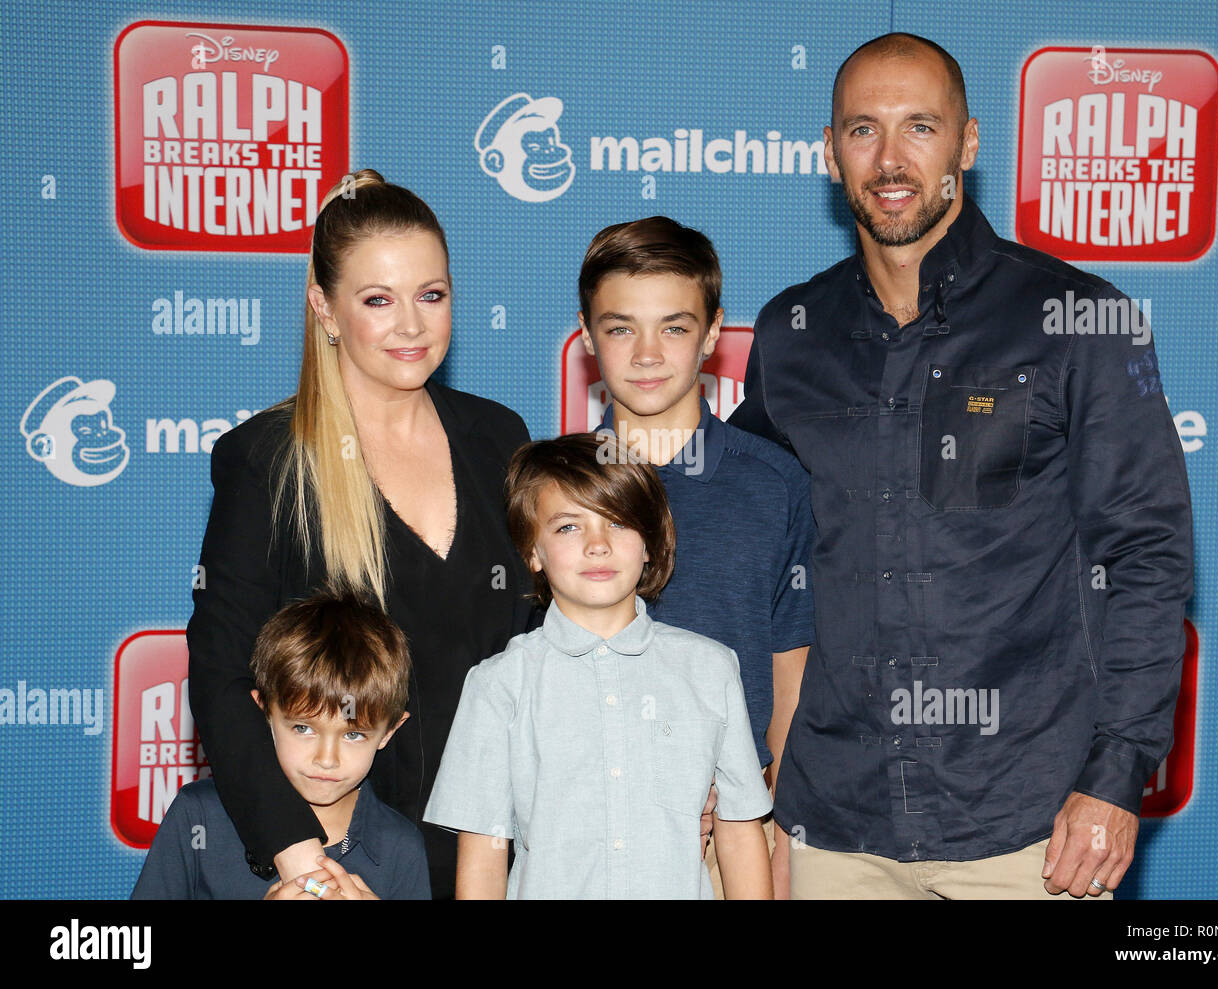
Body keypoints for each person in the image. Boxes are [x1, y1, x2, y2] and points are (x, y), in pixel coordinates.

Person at [729, 33, 1194, 899]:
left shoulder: (1081, 320)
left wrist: (1117, 774)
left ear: (968, 145)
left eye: (921, 127)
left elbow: (1147, 557)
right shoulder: (792, 335)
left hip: (1032, 824)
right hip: (834, 822)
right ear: (830, 153)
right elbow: (748, 548)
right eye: (863, 130)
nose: (891, 159)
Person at [186, 170, 534, 898]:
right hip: (339, 862)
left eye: (430, 295)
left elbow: (537, 654)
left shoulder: (498, 439)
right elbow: (222, 678)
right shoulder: (267, 461)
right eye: (378, 300)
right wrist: (304, 864)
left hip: (494, 855)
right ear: (325, 306)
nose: (411, 325)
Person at [424, 434, 774, 899]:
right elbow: (483, 854)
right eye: (568, 527)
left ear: (649, 544)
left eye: (617, 523)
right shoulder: (498, 685)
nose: (597, 545)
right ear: (532, 552)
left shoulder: (711, 669)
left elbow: (739, 828)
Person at [576, 216, 815, 897]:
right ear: (590, 335)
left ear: (713, 334)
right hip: (579, 822)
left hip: (736, 831)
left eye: (674, 327)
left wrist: (779, 829)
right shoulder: (555, 488)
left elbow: (790, 679)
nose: (647, 353)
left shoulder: (775, 484)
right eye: (621, 327)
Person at [133, 593, 430, 899]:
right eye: (303, 728)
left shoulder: (401, 847)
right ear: (262, 713)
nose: (326, 759)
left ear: (389, 732)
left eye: (353, 735)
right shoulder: (198, 816)